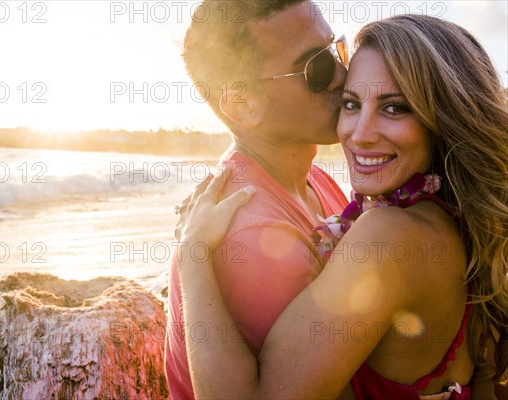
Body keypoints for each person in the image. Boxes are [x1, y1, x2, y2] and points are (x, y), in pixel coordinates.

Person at [175, 14, 508, 399]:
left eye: (395, 108)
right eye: (352, 102)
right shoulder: (456, 217)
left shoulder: (387, 235)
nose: (359, 133)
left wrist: (191, 255)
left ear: (445, 115)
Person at [165, 1, 350, 397]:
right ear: (243, 104)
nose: (342, 75)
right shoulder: (253, 233)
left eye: (337, 51)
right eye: (315, 67)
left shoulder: (312, 178)